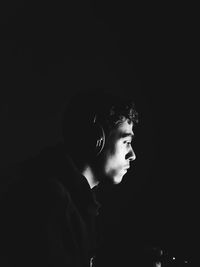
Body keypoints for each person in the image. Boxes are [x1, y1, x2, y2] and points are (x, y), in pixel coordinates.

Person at [0, 88, 138, 267]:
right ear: (96, 139)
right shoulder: (50, 200)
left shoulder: (79, 202)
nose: (133, 155)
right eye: (126, 142)